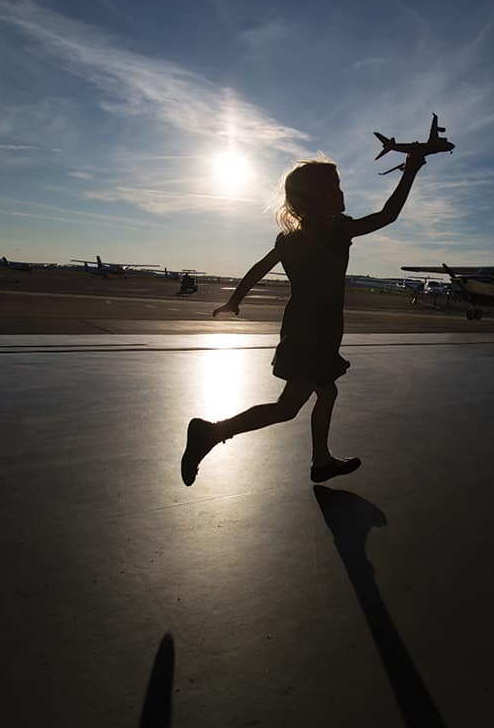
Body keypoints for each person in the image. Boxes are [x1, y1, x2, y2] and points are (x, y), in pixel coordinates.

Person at [180, 151, 427, 486]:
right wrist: (410, 169)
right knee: (287, 407)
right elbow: (389, 214)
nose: (342, 193)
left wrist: (235, 301)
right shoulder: (338, 229)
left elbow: (260, 268)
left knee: (327, 393)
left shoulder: (290, 239)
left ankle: (321, 461)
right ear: (316, 197)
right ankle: (211, 432)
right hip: (316, 334)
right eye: (334, 187)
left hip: (304, 329)